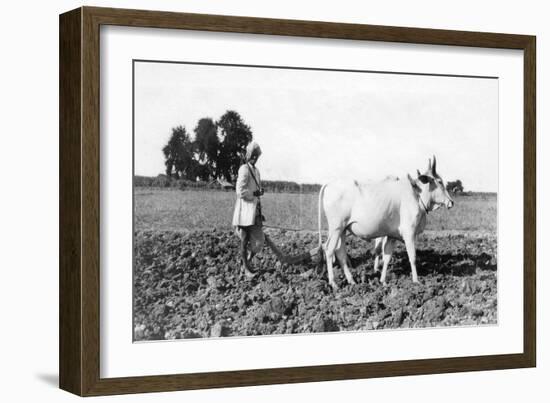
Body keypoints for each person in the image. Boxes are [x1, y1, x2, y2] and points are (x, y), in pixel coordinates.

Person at [232, 142, 265, 278]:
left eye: (257, 156)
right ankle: (246, 269)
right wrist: (254, 193)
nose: (255, 158)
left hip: (254, 210)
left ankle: (246, 263)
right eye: (253, 155)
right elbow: (239, 191)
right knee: (245, 241)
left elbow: (256, 190)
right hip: (245, 211)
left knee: (259, 242)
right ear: (249, 155)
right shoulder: (244, 169)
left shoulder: (256, 171)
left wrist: (259, 194)